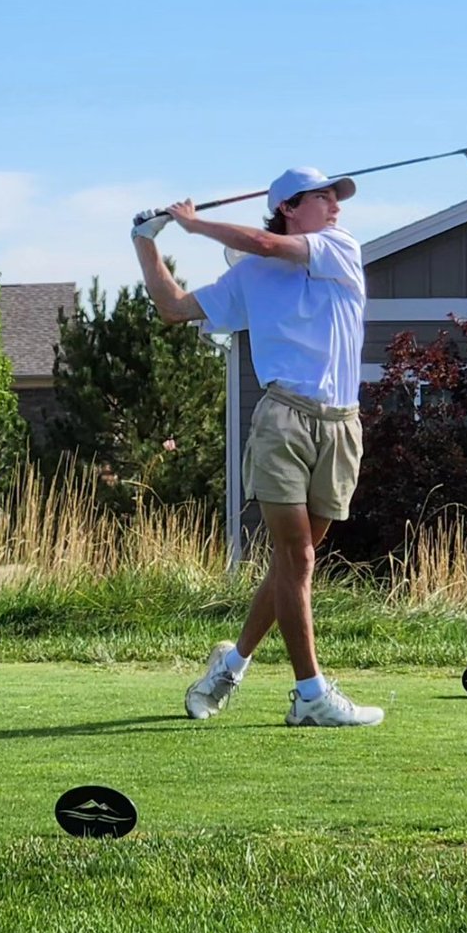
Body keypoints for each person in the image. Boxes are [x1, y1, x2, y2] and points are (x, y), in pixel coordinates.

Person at [131, 167, 383, 727]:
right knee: (298, 558)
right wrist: (145, 243)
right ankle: (310, 695)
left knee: (294, 564)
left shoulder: (339, 248)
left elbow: (264, 241)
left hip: (342, 425)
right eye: (324, 197)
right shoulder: (249, 279)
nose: (337, 206)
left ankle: (232, 665)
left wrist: (193, 226)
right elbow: (173, 307)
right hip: (283, 420)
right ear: (291, 205)